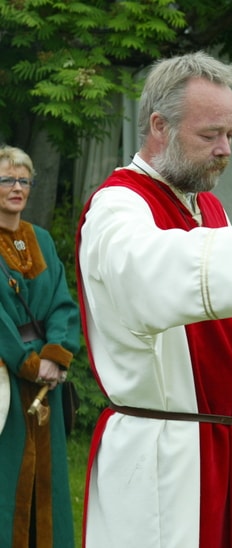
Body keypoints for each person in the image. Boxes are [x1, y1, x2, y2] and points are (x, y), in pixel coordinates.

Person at [75, 52, 232, 547]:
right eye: (210, 135)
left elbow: (227, 339)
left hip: (227, 441)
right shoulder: (118, 204)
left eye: (231, 135)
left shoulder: (207, 206)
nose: (225, 150)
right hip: (163, 456)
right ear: (160, 126)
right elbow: (148, 274)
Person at [0, 146, 80, 547]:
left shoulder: (42, 240)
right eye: (7, 180)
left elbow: (62, 305)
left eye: (23, 180)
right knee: (8, 474)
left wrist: (55, 353)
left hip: (47, 381)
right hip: (6, 383)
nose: (17, 188)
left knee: (46, 485)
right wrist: (28, 363)